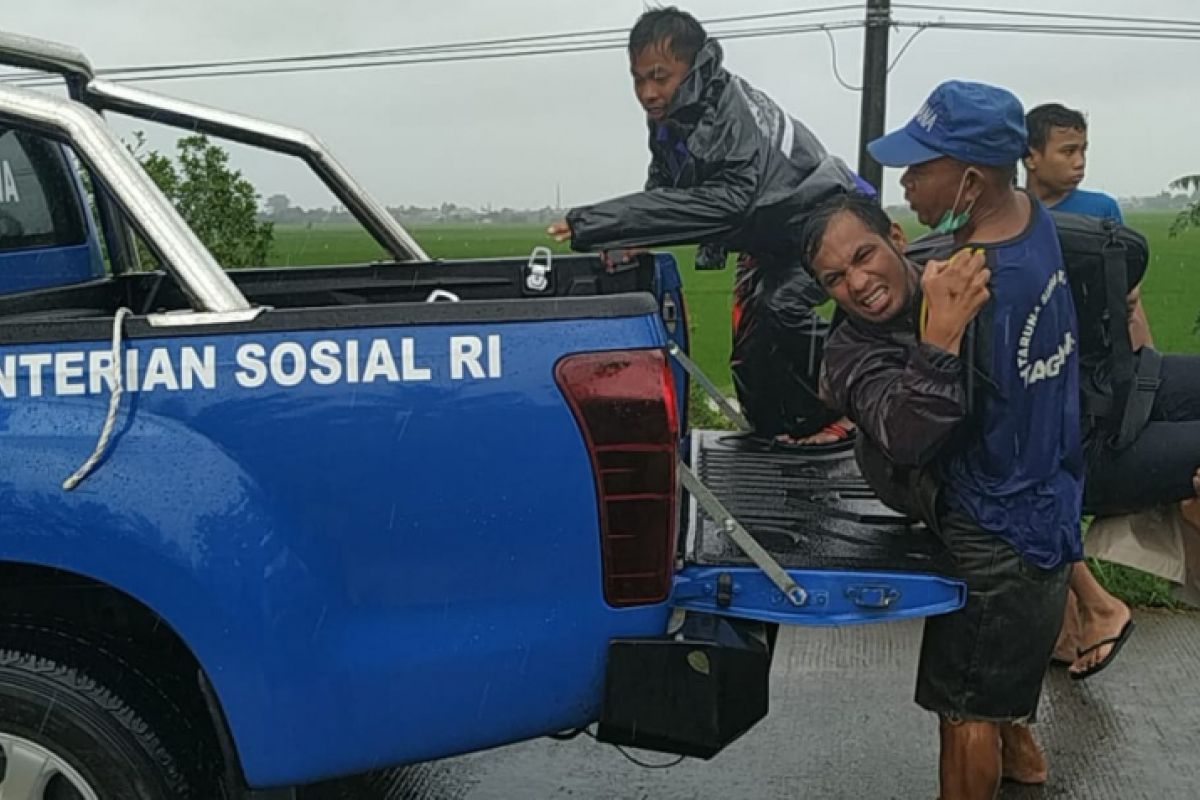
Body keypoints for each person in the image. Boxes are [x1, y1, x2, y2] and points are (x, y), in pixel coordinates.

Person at [808, 81, 1082, 798]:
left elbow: (907, 439)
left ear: (969, 178)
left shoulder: (975, 292)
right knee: (995, 698)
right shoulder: (1027, 222)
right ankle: (1020, 751)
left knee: (963, 716)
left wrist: (935, 342)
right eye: (834, 278)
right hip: (1047, 504)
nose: (906, 181)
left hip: (999, 532)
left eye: (920, 166)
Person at [547, 6, 864, 445]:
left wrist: (605, 223)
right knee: (749, 350)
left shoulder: (727, 113)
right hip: (770, 234)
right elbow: (665, 181)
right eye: (638, 78)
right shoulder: (672, 114)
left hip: (822, 219)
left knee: (782, 309)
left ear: (696, 67)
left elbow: (730, 202)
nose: (648, 92)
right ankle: (773, 432)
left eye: (661, 77)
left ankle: (845, 416)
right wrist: (638, 237)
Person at [1024, 102, 1200, 678]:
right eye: (1066, 151)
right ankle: (1067, 627)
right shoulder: (1014, 219)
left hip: (1103, 375)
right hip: (1048, 386)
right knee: (1054, 502)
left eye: (1083, 152)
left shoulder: (1100, 214)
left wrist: (1143, 369)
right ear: (1029, 156)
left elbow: (1129, 304)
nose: (1078, 163)